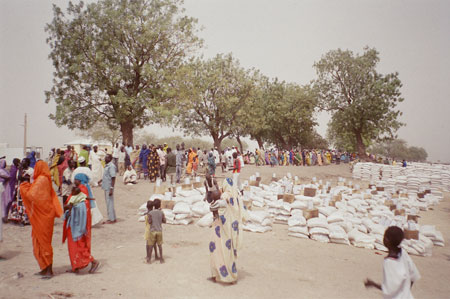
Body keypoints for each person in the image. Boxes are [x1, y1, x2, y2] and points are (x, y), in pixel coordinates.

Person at [20, 161, 63, 279]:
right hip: (43, 215)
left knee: (44, 243)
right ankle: (44, 268)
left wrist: (24, 185)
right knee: (38, 241)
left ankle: (49, 269)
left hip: (43, 217)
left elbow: (31, 196)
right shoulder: (43, 179)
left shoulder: (41, 180)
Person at [364, 226, 420, 298]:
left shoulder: (389, 262)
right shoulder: (403, 253)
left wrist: (373, 284)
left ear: (386, 240)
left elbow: (389, 289)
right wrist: (405, 291)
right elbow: (413, 275)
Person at [209, 178, 246, 284]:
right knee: (229, 253)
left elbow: (213, 207)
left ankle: (216, 274)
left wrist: (213, 201)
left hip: (220, 229)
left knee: (217, 251)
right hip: (231, 230)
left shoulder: (225, 196)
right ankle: (231, 276)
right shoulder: (236, 196)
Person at [62, 182, 100, 274]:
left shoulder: (80, 203)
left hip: (76, 229)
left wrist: (67, 207)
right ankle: (75, 266)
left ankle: (93, 261)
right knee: (73, 247)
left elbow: (68, 207)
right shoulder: (81, 200)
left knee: (79, 247)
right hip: (74, 227)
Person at [146, 199, 166, 264]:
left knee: (151, 245)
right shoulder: (161, 212)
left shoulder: (150, 213)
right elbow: (164, 221)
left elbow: (149, 222)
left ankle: (149, 259)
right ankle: (161, 259)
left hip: (152, 231)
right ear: (159, 205)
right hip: (159, 231)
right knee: (160, 246)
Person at [98, 154, 116, 224]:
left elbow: (113, 177)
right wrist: (101, 180)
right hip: (106, 186)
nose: (105, 159)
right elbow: (106, 176)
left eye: (107, 158)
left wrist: (111, 188)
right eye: (105, 157)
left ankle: (111, 219)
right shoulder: (107, 165)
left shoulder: (111, 166)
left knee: (109, 203)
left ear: (110, 159)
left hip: (109, 187)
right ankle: (112, 218)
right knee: (109, 202)